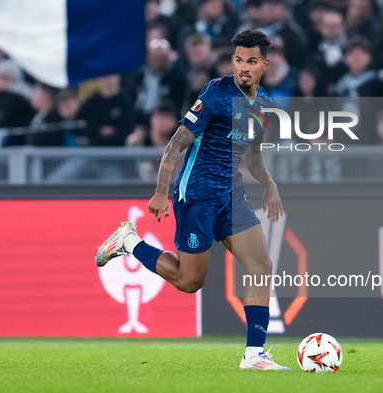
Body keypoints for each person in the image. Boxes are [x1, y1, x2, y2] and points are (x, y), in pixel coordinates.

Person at [95, 30, 289, 371]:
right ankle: (128, 242)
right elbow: (175, 144)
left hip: (231, 196)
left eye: (252, 62)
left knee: (261, 265)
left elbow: (253, 156)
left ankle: (254, 355)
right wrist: (161, 191)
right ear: (233, 61)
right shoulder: (216, 93)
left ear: (265, 65)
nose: (244, 68)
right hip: (197, 196)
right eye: (239, 60)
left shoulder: (263, 105)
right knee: (189, 281)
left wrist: (269, 184)